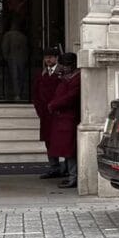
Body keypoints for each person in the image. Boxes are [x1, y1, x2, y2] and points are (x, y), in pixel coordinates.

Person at [47, 52, 81, 188]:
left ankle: (74, 177)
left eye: (65, 65)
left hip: (69, 117)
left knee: (70, 150)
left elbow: (70, 96)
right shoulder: (66, 77)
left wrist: (53, 105)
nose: (63, 68)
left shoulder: (76, 78)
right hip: (62, 118)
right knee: (66, 150)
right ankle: (70, 174)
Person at [31, 48, 62, 178]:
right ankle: (54, 167)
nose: (48, 60)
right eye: (46, 57)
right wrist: (40, 110)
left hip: (59, 113)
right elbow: (35, 94)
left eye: (50, 57)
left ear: (56, 58)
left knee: (61, 141)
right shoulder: (41, 74)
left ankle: (66, 167)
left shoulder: (62, 73)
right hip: (45, 114)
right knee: (48, 141)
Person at [1, 20, 29, 101]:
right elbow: (26, 49)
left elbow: (4, 47)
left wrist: (6, 56)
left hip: (13, 58)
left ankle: (17, 94)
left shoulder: (8, 35)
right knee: (20, 77)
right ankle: (19, 93)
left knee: (15, 77)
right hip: (21, 59)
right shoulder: (23, 36)